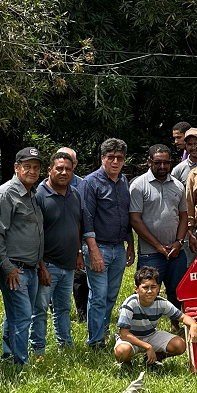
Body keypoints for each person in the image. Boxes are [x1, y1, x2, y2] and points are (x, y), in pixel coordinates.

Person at [82, 138, 135, 349]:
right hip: (99, 247)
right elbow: (86, 219)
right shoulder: (91, 182)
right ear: (102, 158)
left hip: (118, 247)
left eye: (119, 158)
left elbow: (126, 216)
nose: (115, 161)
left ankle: (102, 331)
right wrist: (93, 251)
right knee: (98, 295)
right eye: (110, 157)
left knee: (111, 295)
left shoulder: (123, 182)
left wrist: (130, 244)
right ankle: (94, 341)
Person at [30, 151, 84, 357]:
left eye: (68, 169)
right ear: (49, 170)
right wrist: (41, 265)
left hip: (68, 264)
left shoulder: (74, 194)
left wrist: (79, 252)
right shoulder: (39, 196)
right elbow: (36, 233)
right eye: (59, 168)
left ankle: (65, 347)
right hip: (48, 264)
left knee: (63, 309)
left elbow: (76, 225)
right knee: (40, 309)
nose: (63, 172)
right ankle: (38, 351)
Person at [0, 147, 44, 365]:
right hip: (15, 268)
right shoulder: (7, 194)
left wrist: (40, 264)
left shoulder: (32, 193)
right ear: (16, 168)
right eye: (27, 166)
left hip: (31, 267)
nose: (32, 171)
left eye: (36, 167)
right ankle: (20, 363)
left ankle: (9, 355)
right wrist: (6, 267)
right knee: (23, 315)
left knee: (16, 314)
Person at [130, 144, 188, 309]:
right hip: (150, 253)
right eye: (158, 162)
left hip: (176, 251)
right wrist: (158, 246)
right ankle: (145, 327)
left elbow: (183, 216)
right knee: (147, 293)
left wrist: (178, 242)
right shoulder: (138, 186)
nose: (162, 166)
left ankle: (175, 325)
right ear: (149, 162)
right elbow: (135, 219)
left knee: (177, 292)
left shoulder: (178, 186)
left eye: (166, 162)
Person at [113, 266, 197, 366]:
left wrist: (193, 325)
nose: (150, 291)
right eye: (145, 287)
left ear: (158, 288)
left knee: (179, 345)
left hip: (151, 335)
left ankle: (154, 359)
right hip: (131, 338)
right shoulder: (130, 304)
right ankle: (127, 364)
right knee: (121, 352)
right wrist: (148, 347)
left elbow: (183, 317)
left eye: (153, 287)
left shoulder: (161, 303)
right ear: (136, 289)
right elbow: (124, 334)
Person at [59, 147, 89, 324]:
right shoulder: (43, 188)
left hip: (77, 238)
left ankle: (82, 313)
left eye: (69, 161)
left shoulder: (83, 184)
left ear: (75, 164)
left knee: (79, 278)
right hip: (55, 242)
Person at [171, 127, 197, 266]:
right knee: (191, 265)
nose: (193, 147)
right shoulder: (179, 170)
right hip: (189, 226)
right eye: (189, 144)